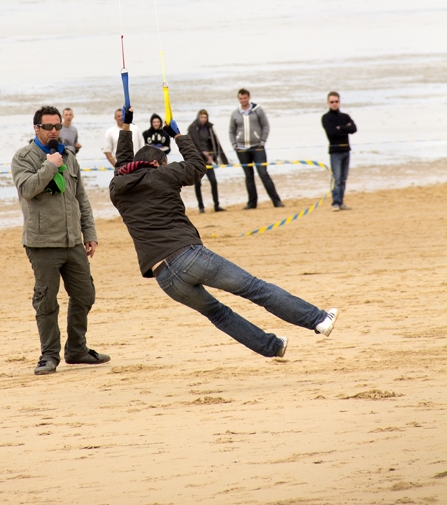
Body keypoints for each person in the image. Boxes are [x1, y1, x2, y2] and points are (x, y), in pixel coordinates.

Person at [109, 110, 338, 359]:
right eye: (163, 163)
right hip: (187, 256)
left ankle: (272, 347)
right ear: (155, 164)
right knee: (255, 288)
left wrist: (126, 126)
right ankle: (317, 319)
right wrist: (178, 135)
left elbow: (122, 165)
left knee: (217, 314)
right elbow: (198, 166)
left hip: (163, 277)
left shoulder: (117, 187)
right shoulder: (162, 174)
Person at [11, 105, 110, 375]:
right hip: (42, 243)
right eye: (49, 127)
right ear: (36, 129)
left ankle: (77, 349)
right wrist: (48, 166)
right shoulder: (23, 157)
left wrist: (89, 234)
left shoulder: (69, 156)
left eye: (57, 127)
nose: (55, 131)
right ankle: (49, 356)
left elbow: (81, 199)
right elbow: (28, 190)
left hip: (72, 242)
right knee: (46, 301)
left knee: (85, 294)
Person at [229, 88, 284, 210]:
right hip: (242, 149)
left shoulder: (257, 110)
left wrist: (262, 141)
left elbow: (265, 126)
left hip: (257, 148)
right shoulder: (235, 113)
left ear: (249, 97)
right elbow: (231, 131)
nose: (243, 100)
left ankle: (276, 201)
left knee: (263, 174)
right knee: (249, 177)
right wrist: (234, 145)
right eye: (240, 98)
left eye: (244, 98)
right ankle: (252, 203)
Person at [322, 92, 357, 211]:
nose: (334, 104)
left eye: (336, 101)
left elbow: (353, 129)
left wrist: (341, 127)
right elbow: (332, 133)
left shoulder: (345, 116)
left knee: (343, 178)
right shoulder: (326, 118)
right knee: (336, 178)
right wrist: (344, 128)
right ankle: (335, 202)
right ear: (328, 103)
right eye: (332, 102)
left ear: (339, 102)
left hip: (346, 150)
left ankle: (341, 202)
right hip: (335, 151)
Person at [187, 109, 228, 213]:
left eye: (205, 117)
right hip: (197, 160)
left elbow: (215, 143)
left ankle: (216, 205)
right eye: (201, 117)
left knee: (213, 181)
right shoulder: (192, 128)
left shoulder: (209, 128)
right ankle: (201, 207)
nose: (203, 119)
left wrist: (212, 156)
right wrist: (201, 153)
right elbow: (191, 144)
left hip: (208, 159)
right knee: (198, 183)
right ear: (198, 117)